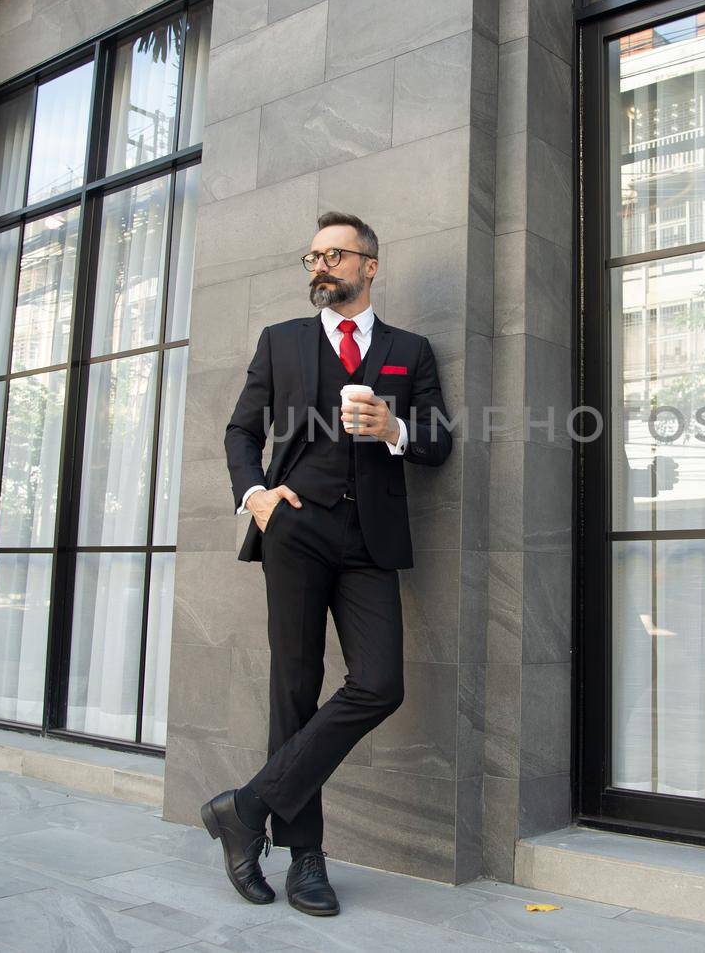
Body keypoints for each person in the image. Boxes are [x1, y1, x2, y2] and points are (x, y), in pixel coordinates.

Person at [201, 210, 453, 916]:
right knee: (295, 685)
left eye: (336, 255)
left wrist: (397, 428)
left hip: (370, 537)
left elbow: (440, 438)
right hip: (296, 528)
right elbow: (241, 429)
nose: (321, 266)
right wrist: (255, 496)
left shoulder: (410, 349)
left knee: (379, 683)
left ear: (370, 265)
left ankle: (244, 809)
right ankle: (305, 857)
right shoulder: (280, 341)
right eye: (313, 255)